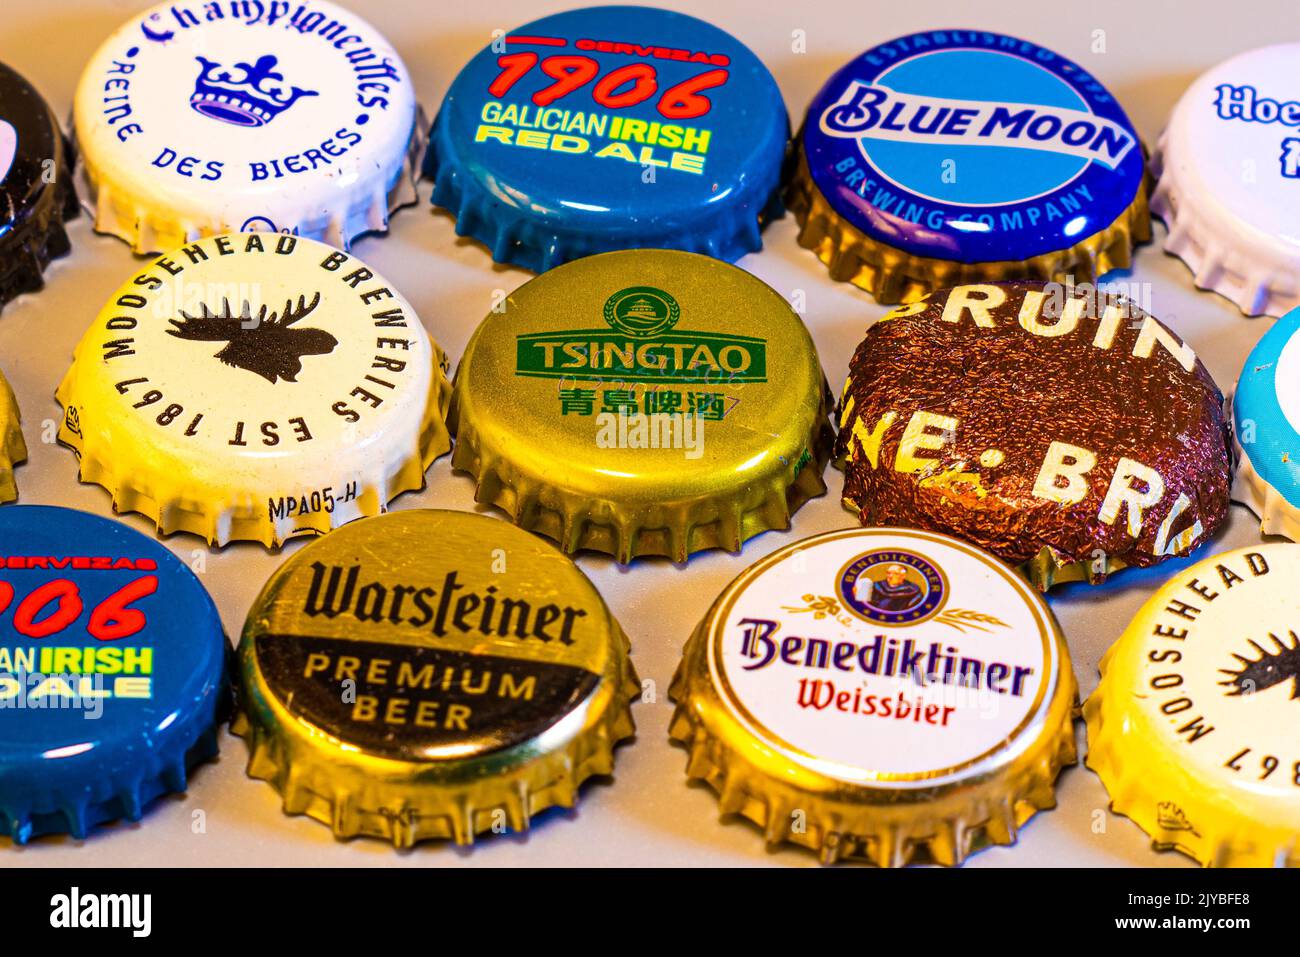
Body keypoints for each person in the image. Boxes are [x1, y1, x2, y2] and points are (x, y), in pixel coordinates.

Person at [856, 563, 921, 612]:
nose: (890, 576)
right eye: (888, 573)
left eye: (895, 574)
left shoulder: (913, 590)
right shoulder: (877, 585)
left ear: (903, 576)